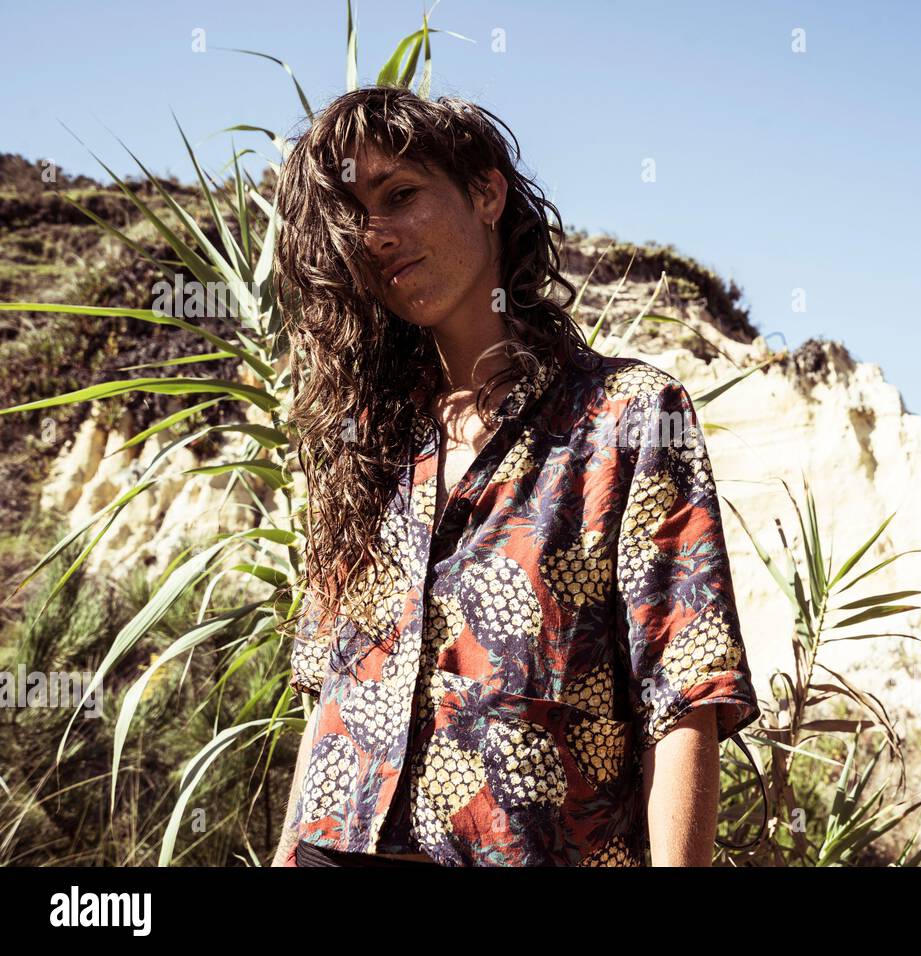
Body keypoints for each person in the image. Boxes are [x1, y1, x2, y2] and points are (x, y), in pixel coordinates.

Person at [269, 86, 760, 867]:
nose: (379, 235)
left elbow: (685, 696)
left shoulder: (626, 418)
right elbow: (324, 701)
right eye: (358, 217)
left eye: (401, 195)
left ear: (486, 192)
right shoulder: (364, 444)